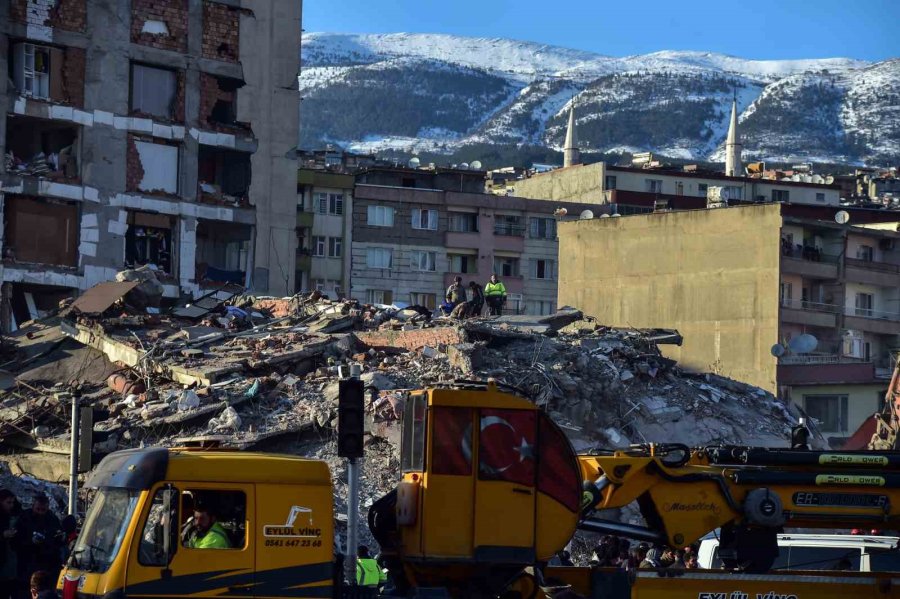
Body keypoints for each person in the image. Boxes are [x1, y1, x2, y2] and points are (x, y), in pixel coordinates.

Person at [16, 495, 61, 585]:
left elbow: (57, 538)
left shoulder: (52, 519)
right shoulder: (25, 518)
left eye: (43, 510)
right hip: (27, 562)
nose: (40, 512)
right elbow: (16, 538)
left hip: (47, 562)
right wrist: (30, 541)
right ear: (33, 506)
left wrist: (59, 538)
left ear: (47, 508)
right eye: (38, 509)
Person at [0, 490, 19, 599]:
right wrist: (3, 535)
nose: (11, 505)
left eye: (12, 502)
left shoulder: (11, 515)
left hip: (10, 568)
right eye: (8, 502)